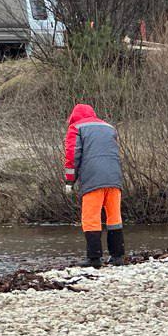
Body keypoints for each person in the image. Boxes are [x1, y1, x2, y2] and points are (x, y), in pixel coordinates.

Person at [63, 104, 124, 268]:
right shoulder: (109, 127)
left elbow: (72, 155)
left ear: (74, 117)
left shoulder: (76, 128)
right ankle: (117, 256)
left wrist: (70, 181)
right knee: (114, 217)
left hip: (93, 179)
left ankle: (94, 258)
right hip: (114, 177)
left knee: (91, 217)